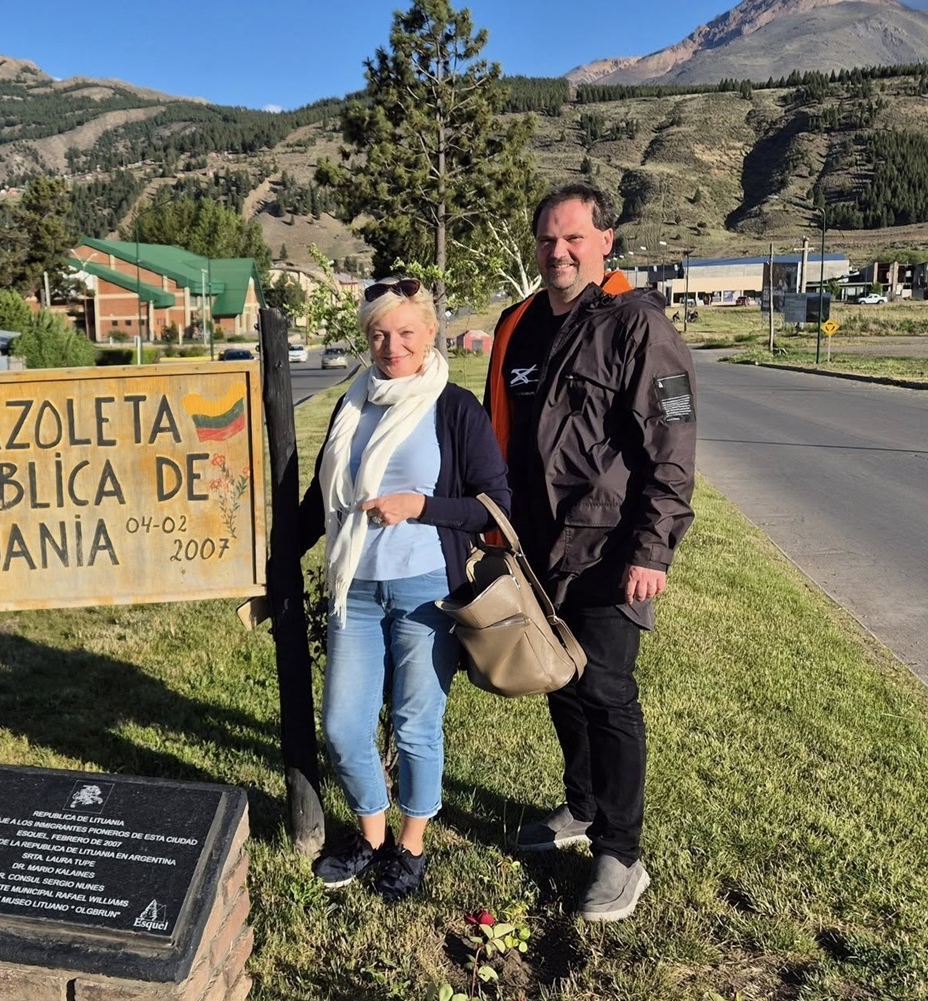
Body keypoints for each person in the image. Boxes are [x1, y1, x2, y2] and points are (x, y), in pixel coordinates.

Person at [485, 182, 696, 922]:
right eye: (547, 239)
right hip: (535, 550)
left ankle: (621, 852)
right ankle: (580, 809)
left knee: (606, 692)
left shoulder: (638, 325)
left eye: (574, 238)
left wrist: (654, 548)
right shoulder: (518, 324)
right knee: (563, 684)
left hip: (611, 548)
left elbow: (672, 445)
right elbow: (499, 435)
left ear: (607, 241)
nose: (559, 252)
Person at [298, 277, 510, 903]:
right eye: (380, 334)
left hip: (425, 590)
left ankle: (411, 845)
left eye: (405, 332)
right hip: (354, 587)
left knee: (417, 724)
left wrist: (421, 506)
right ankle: (370, 833)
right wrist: (279, 559)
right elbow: (321, 499)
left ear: (430, 335)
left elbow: (495, 507)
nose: (392, 345)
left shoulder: (454, 407)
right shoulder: (351, 406)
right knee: (342, 725)